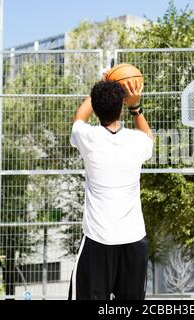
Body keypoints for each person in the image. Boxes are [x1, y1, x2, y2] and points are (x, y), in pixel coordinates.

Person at [68, 77, 153, 300]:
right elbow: (148, 136)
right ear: (121, 109)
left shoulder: (88, 137)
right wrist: (135, 106)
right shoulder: (137, 142)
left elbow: (79, 119)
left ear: (95, 109)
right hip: (134, 239)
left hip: (98, 240)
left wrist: (104, 82)